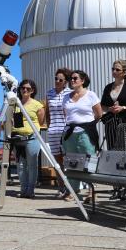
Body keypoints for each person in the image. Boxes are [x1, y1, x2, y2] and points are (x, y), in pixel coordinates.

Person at [62, 70, 102, 202]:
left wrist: (88, 125)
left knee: (89, 161)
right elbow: (66, 115)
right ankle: (73, 191)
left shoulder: (91, 95)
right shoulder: (66, 97)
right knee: (71, 162)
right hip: (70, 132)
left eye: (75, 78)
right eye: (70, 79)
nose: (72, 80)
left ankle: (92, 192)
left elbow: (99, 114)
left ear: (83, 80)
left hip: (86, 132)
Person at [12, 79, 45, 199]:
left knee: (32, 165)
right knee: (20, 165)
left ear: (32, 91)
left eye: (28, 88)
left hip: (32, 137)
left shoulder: (37, 105)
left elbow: (41, 121)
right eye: (22, 88)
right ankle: (23, 189)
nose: (25, 90)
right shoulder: (15, 103)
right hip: (18, 138)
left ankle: (30, 190)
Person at [100, 59, 126, 146]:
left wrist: (123, 108)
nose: (114, 71)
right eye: (113, 69)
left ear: (124, 72)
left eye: (117, 69)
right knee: (112, 150)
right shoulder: (108, 87)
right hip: (111, 124)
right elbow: (102, 106)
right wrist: (109, 109)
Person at [45, 68, 72, 199]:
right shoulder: (49, 93)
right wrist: (50, 126)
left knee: (67, 160)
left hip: (66, 130)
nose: (57, 81)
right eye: (56, 78)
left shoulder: (69, 93)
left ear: (65, 81)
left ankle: (70, 189)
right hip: (53, 131)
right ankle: (61, 188)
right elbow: (48, 114)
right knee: (57, 162)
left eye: (60, 79)